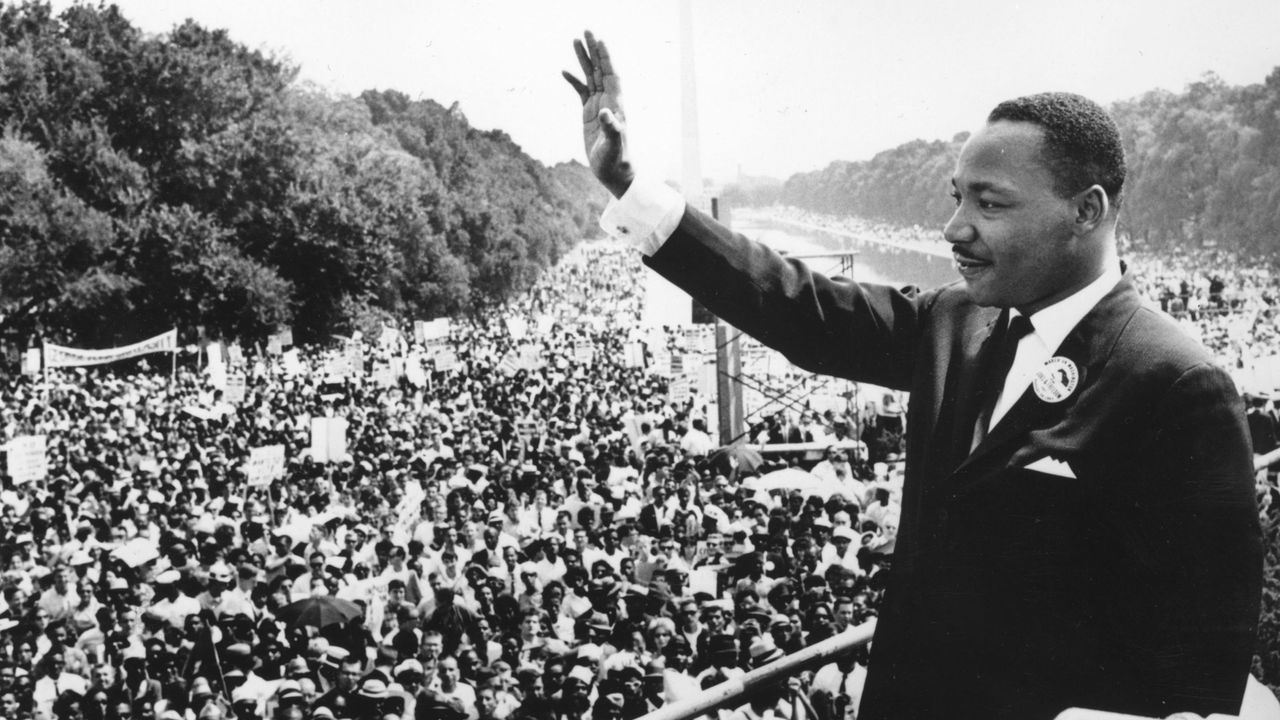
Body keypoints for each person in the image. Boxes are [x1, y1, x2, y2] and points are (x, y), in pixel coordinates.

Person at [564, 31, 1262, 720]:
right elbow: (796, 306)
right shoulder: (954, 320)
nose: (954, 228)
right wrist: (631, 186)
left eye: (989, 204)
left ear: (1087, 211)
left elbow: (1204, 671)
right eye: (956, 197)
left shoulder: (1176, 384)